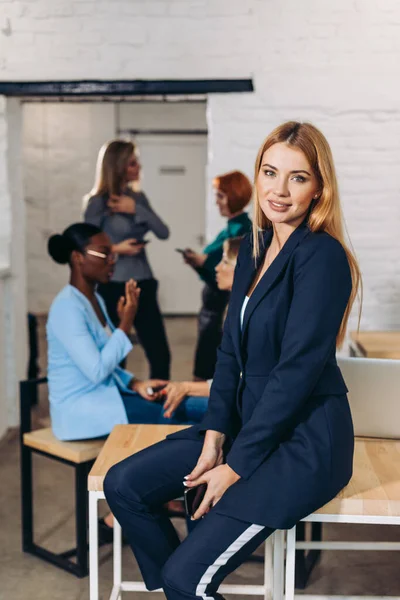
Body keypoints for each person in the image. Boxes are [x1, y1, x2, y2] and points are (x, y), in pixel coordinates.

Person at [103, 121, 361, 599]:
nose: (279, 190)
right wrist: (215, 438)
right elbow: (229, 353)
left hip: (302, 441)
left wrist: (234, 465)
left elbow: (295, 375)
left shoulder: (322, 257)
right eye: (270, 172)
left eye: (298, 177)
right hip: (246, 423)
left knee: (188, 578)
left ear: (319, 187)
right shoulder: (253, 250)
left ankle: (185, 587)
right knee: (124, 485)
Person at [46, 223, 207, 443]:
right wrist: (125, 323)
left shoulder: (95, 299)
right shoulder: (67, 308)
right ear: (78, 257)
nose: (112, 260)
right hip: (83, 410)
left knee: (195, 404)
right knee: (183, 422)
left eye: (113, 253)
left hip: (111, 396)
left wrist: (136, 384)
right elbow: (97, 370)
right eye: (104, 254)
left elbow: (107, 362)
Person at [84, 140, 171, 379]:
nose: (138, 167)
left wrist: (135, 209)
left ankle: (159, 406)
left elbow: (163, 232)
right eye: (133, 162)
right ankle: (118, 407)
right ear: (118, 166)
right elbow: (86, 247)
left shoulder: (138, 198)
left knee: (160, 353)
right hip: (112, 286)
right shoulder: (97, 203)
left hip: (143, 282)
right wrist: (116, 248)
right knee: (116, 353)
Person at [180, 171, 252, 381]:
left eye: (220, 196)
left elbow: (227, 271)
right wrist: (199, 263)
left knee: (210, 367)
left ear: (234, 196)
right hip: (212, 305)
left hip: (220, 306)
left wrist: (204, 262)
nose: (217, 202)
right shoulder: (229, 229)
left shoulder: (241, 230)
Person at [162, 237, 243, 421]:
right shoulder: (236, 308)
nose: (216, 267)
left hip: (244, 404)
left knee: (171, 408)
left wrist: (189, 387)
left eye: (224, 262)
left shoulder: (248, 315)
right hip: (235, 397)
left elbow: (244, 382)